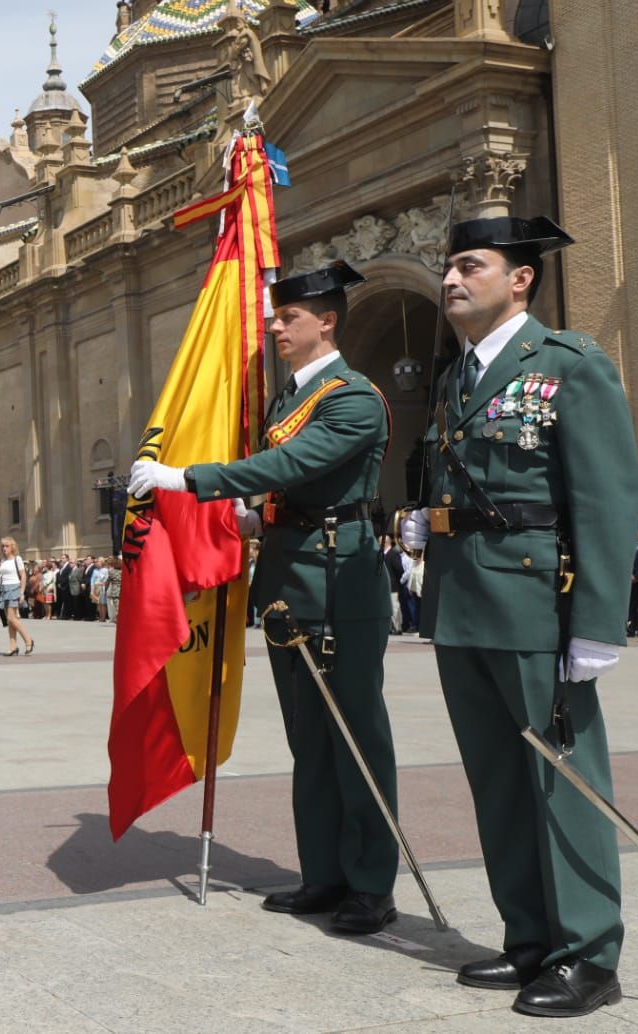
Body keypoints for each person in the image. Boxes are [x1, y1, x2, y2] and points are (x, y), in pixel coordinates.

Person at [400, 216, 638, 1017]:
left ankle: (588, 955)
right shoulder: (453, 379)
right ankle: (529, 937)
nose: (452, 279)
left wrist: (599, 622)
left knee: (562, 781)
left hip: (541, 603)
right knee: (498, 781)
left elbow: (606, 498)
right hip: (463, 603)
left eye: (472, 265)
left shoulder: (568, 364)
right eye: (449, 267)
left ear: (521, 278)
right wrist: (422, 520)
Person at [131, 261, 398, 936]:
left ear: (326, 322)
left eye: (289, 318)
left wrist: (184, 477)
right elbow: (288, 486)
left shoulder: (352, 396)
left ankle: (370, 885)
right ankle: (324, 874)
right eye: (276, 317)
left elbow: (292, 466)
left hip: (340, 581)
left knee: (354, 736)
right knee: (309, 739)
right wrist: (259, 520)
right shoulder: (286, 400)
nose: (276, 329)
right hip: (289, 578)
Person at [0, 537, 34, 656]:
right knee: (9, 620)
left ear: (12, 547)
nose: (4, 548)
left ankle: (28, 640)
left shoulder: (17, 559)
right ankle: (13, 646)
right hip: (4, 589)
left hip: (14, 588)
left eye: (7, 546)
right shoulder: (3, 560)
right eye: (3, 546)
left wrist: (22, 592)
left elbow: (23, 575)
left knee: (12, 618)